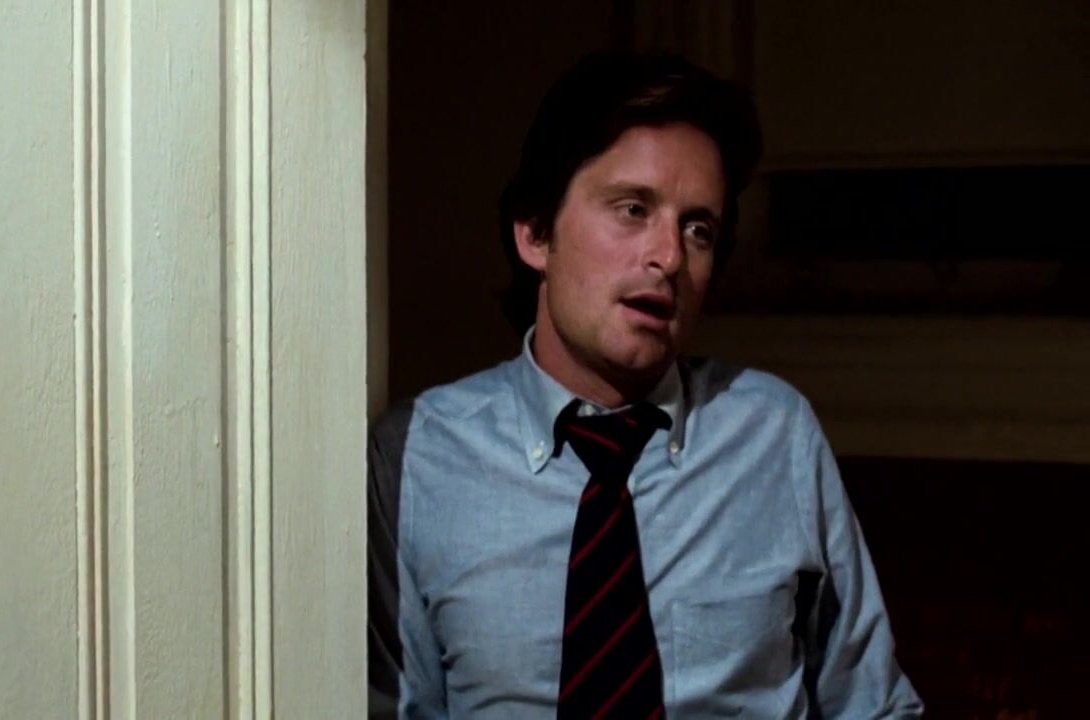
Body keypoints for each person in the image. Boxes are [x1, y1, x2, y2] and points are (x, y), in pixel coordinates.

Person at [368, 51, 922, 719]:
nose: (669, 257)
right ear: (536, 233)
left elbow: (873, 706)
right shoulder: (420, 452)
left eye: (698, 229)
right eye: (633, 209)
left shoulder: (773, 434)